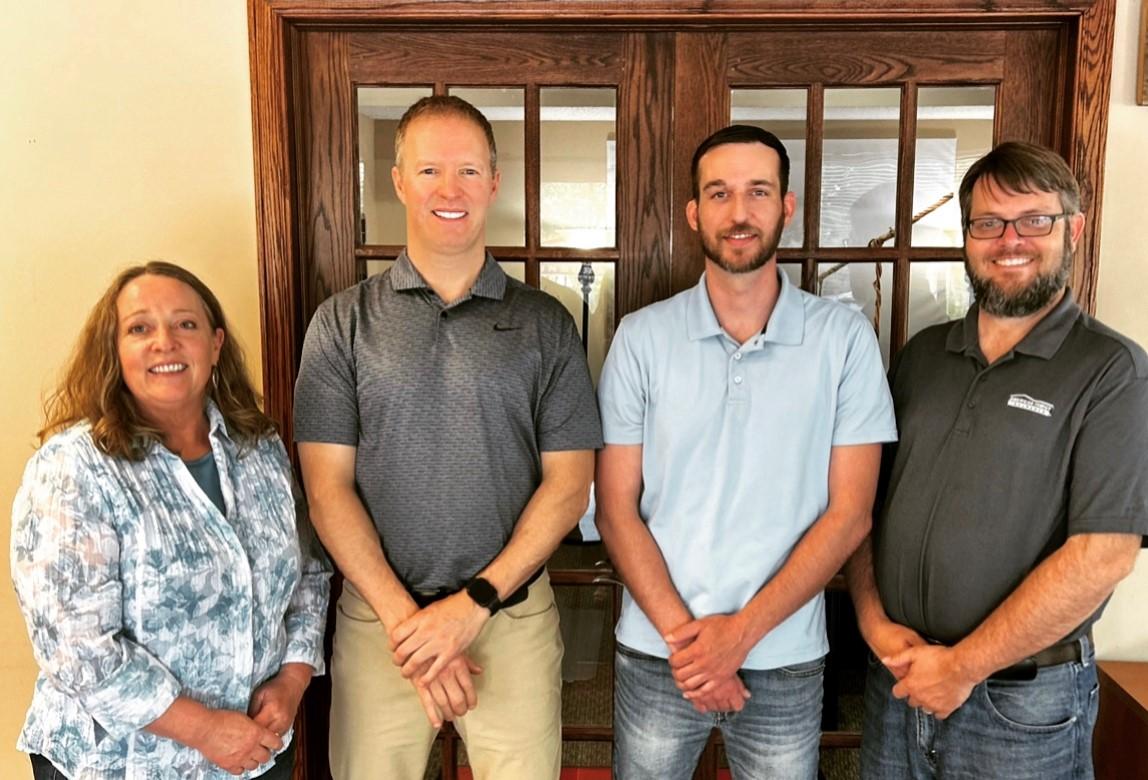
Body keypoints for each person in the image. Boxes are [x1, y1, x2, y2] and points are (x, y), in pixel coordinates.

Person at [293, 95, 601, 780]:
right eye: (429, 170)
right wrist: (416, 628)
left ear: (495, 183)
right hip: (381, 624)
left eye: (468, 171)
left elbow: (570, 484)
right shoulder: (340, 325)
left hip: (511, 618)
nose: (449, 190)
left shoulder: (546, 325)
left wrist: (469, 610)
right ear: (399, 181)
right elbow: (326, 491)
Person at [595, 124, 898, 779]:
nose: (739, 212)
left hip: (783, 655)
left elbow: (851, 513)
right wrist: (695, 648)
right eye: (720, 193)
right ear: (694, 213)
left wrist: (737, 637)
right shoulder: (641, 338)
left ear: (786, 207)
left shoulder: (843, 340)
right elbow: (617, 509)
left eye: (758, 192)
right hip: (658, 652)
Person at [848, 140, 1148, 779]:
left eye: (1034, 219)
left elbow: (1104, 555)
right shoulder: (921, 357)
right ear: (967, 236)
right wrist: (873, 624)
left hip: (1020, 708)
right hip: (899, 684)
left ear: (1074, 229)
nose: (1009, 240)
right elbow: (866, 507)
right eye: (988, 223)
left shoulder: (1112, 372)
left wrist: (961, 668)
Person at [11, 261, 330, 779]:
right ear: (113, 349)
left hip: (255, 754)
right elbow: (76, 650)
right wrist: (204, 729)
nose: (166, 342)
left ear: (216, 343)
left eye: (186, 324)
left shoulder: (260, 449)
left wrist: (292, 680)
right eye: (140, 328)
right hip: (120, 765)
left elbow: (309, 574)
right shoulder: (74, 468)